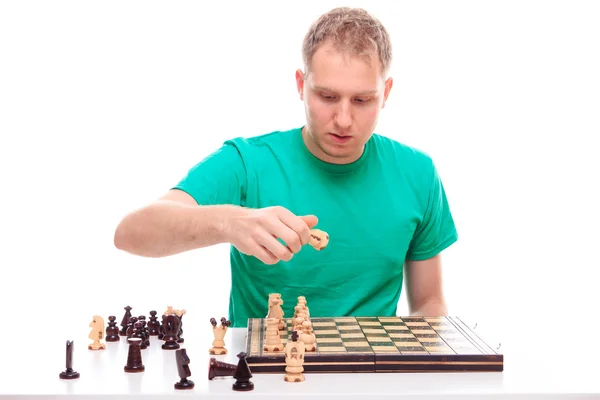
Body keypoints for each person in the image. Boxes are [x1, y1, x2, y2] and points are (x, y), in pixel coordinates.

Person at [114, 7, 458, 327]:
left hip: (370, 377)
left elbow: (429, 303)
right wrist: (230, 222)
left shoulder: (418, 174)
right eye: (326, 96)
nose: (343, 119)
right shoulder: (247, 162)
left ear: (386, 93)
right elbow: (131, 234)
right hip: (262, 379)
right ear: (300, 85)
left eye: (362, 100)